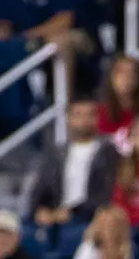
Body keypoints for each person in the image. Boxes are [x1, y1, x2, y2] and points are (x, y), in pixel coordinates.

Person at [29, 97, 119, 228]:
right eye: (78, 114)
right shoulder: (57, 153)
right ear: (68, 119)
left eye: (90, 114)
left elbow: (106, 192)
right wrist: (40, 210)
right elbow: (41, 185)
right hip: (57, 217)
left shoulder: (108, 151)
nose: (84, 120)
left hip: (92, 218)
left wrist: (72, 212)